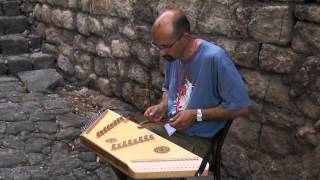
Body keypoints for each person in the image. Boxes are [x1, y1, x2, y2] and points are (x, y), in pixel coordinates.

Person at [113, 9, 251, 180]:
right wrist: (162, 106)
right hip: (170, 128)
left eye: (165, 46)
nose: (161, 53)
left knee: (143, 164)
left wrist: (196, 115)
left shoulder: (215, 58)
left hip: (198, 139)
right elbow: (168, 88)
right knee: (118, 150)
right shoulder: (173, 56)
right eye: (157, 46)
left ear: (185, 38)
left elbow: (243, 107)